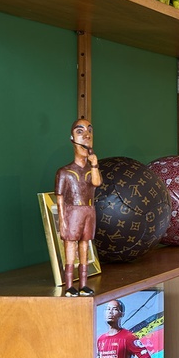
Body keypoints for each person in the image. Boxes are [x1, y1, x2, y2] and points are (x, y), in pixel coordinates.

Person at [55, 118, 101, 295]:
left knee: (84, 246)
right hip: (72, 212)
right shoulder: (64, 172)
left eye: (89, 131)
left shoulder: (91, 170)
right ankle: (69, 285)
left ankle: (83, 283)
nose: (86, 135)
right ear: (72, 138)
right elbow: (60, 199)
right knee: (71, 248)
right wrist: (62, 221)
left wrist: (94, 164)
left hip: (88, 210)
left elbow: (96, 183)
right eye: (80, 131)